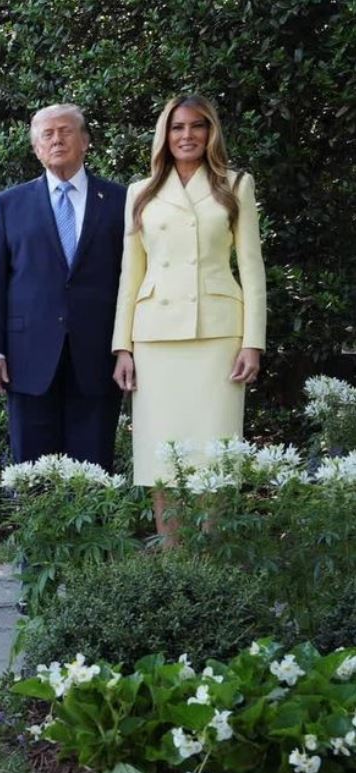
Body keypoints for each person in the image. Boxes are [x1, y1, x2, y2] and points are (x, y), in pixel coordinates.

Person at [111, 95, 266, 540]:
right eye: (177, 127)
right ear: (165, 135)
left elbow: (251, 267)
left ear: (210, 132)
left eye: (197, 126)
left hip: (218, 334)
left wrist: (252, 341)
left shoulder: (235, 184)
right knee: (160, 456)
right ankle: (174, 559)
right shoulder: (140, 191)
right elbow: (130, 274)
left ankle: (209, 561)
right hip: (154, 338)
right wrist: (122, 347)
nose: (187, 135)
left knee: (214, 455)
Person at [0, 103, 127, 469]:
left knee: (93, 472)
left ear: (85, 141)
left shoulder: (121, 201)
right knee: (31, 474)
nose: (57, 139)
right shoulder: (9, 204)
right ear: (36, 148)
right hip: (27, 359)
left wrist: (128, 347)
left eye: (65, 131)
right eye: (47, 134)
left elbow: (132, 278)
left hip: (98, 356)